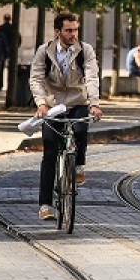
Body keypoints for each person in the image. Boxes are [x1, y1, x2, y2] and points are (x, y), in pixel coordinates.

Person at [29, 13, 102, 221]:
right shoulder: (44, 51)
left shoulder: (84, 50)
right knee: (50, 153)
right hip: (53, 106)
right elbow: (36, 79)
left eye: (75, 30)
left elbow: (91, 76)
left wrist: (95, 104)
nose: (73, 34)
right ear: (58, 31)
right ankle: (45, 205)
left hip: (78, 101)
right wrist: (41, 103)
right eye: (69, 30)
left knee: (80, 129)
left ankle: (78, 165)